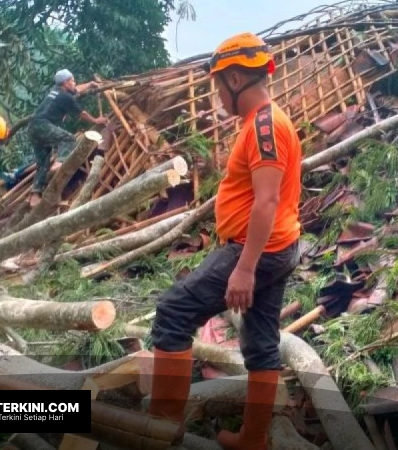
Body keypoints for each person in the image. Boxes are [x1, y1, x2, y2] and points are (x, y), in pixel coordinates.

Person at [147, 32, 302, 450]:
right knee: (262, 344)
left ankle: (161, 432)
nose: (217, 95)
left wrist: (245, 268)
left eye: (218, 85)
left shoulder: (266, 126)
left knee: (174, 313)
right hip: (277, 247)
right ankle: (252, 440)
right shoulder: (261, 122)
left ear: (234, 79)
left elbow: (267, 200)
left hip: (258, 251)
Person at [27, 69, 107, 207]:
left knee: (43, 163)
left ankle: (34, 196)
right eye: (72, 80)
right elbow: (81, 113)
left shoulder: (56, 91)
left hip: (33, 127)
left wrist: (90, 84)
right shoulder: (65, 97)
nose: (74, 83)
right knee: (69, 139)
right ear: (66, 82)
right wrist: (96, 120)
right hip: (43, 125)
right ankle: (60, 162)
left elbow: (76, 89)